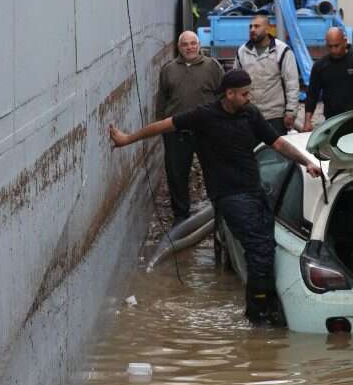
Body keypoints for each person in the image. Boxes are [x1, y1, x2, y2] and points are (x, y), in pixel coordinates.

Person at [110, 69, 322, 324]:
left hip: (254, 191)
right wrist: (127, 139)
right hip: (228, 195)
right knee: (258, 249)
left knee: (266, 247)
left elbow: (277, 143)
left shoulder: (250, 114)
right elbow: (163, 125)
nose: (249, 98)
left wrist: (306, 162)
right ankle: (259, 316)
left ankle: (264, 307)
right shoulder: (204, 116)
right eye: (244, 94)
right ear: (229, 94)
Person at [156, 31, 224, 223]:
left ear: (199, 45)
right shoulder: (168, 70)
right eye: (185, 44)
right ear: (179, 47)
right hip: (176, 132)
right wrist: (160, 124)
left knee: (214, 171)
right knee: (176, 174)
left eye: (193, 43)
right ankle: (180, 216)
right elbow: (162, 100)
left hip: (206, 131)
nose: (190, 47)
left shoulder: (212, 67)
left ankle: (219, 211)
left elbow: (222, 96)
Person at [303, 28, 353, 131]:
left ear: (345, 42)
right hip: (333, 122)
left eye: (336, 46)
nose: (333, 50)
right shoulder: (320, 66)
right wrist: (307, 121)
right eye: (330, 46)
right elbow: (312, 95)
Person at [233, 13, 299, 135]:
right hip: (249, 114)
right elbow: (235, 83)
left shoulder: (282, 51)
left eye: (257, 26)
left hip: (274, 116)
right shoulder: (242, 51)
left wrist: (291, 111)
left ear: (267, 29)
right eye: (250, 26)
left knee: (274, 148)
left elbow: (292, 83)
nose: (252, 30)